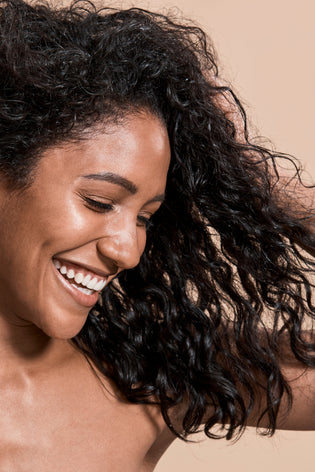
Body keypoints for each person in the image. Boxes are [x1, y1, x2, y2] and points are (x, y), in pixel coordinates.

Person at [0, 0, 314, 469]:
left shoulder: (148, 377)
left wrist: (265, 188)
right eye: (100, 202)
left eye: (146, 217)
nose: (127, 250)